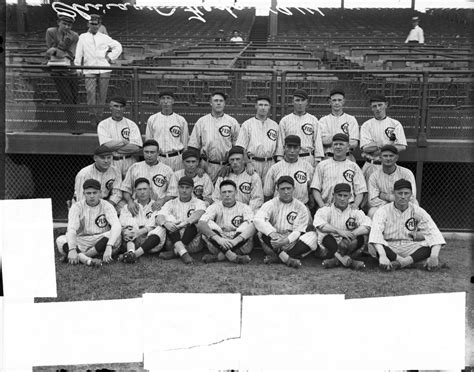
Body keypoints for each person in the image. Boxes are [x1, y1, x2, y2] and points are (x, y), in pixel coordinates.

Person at [123, 176, 207, 264]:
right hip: (173, 239)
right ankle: (182, 252)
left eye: (187, 188)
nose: (184, 190)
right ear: (178, 188)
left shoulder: (199, 202)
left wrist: (182, 224)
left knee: (196, 222)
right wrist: (166, 223)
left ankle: (175, 252)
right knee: (168, 222)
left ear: (192, 189)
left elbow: (199, 213)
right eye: (182, 187)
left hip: (193, 242)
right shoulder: (170, 203)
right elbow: (159, 217)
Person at [369, 179, 446, 271]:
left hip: (409, 246)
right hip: (389, 246)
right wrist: (382, 256)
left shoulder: (418, 210)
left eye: (406, 193)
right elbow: (375, 234)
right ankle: (408, 262)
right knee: (375, 245)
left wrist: (434, 256)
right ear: (393, 194)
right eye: (399, 193)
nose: (403, 196)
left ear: (411, 195)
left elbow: (434, 233)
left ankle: (402, 263)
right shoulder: (382, 211)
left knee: (431, 244)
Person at [302, 183, 371, 270]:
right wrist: (339, 231)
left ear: (350, 196)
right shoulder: (326, 209)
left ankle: (336, 260)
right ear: (333, 195)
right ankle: (350, 262)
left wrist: (353, 234)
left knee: (360, 237)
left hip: (347, 245)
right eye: (339, 195)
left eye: (345, 196)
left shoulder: (355, 211)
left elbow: (368, 225)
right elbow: (320, 225)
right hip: (329, 247)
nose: (342, 199)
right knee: (326, 237)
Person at [56, 179, 121, 266]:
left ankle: (82, 258)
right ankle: (88, 260)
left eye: (95, 193)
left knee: (117, 235)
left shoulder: (107, 205)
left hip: (101, 238)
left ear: (100, 193)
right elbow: (71, 229)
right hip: (83, 240)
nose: (92, 196)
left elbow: (116, 225)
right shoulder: (76, 207)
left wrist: (109, 246)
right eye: (88, 193)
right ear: (84, 194)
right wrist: (72, 249)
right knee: (61, 240)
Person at [254, 176, 315, 268]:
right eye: (282, 189)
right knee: (261, 231)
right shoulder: (271, 203)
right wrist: (271, 234)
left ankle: (279, 257)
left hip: (291, 242)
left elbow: (298, 231)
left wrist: (285, 241)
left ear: (293, 189)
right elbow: (257, 219)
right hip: (274, 242)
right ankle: (287, 259)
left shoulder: (301, 206)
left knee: (313, 236)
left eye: (288, 188)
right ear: (277, 190)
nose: (286, 192)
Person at [74, 14, 122, 125]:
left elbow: (118, 46)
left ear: (99, 24)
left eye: (96, 24)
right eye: (92, 23)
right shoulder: (82, 37)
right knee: (90, 92)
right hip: (89, 68)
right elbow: (79, 52)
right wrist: (78, 67)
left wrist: (110, 57)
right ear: (88, 24)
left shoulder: (104, 37)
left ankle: (99, 116)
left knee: (102, 93)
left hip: (104, 68)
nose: (94, 26)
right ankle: (92, 115)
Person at [198, 180, 255, 264]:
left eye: (230, 191)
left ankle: (219, 257)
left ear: (235, 192)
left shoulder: (244, 207)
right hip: (218, 242)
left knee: (249, 224)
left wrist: (235, 241)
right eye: (224, 192)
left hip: (240, 244)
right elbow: (201, 224)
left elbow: (253, 227)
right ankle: (233, 257)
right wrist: (218, 239)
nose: (227, 195)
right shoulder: (214, 206)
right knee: (207, 223)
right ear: (220, 194)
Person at [188, 92, 240, 182]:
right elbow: (193, 146)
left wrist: (230, 165)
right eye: (216, 101)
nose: (218, 103)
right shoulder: (202, 122)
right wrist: (197, 166)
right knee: (204, 193)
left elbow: (238, 147)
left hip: (225, 166)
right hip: (205, 165)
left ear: (224, 103)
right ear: (211, 103)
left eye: (221, 101)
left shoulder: (232, 122)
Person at [311, 133, 366, 210]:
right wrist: (322, 205)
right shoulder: (322, 165)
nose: (338, 147)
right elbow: (315, 188)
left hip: (348, 207)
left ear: (348, 147)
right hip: (327, 206)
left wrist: (356, 205)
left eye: (341, 144)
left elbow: (360, 190)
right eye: (335, 144)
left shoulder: (354, 167)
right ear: (332, 147)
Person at [45, 15, 80, 133]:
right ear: (58, 22)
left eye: (69, 25)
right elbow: (51, 50)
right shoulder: (51, 31)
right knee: (67, 98)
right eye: (64, 24)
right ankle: (73, 127)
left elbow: (71, 53)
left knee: (74, 99)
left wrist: (57, 50)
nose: (67, 27)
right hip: (57, 71)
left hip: (72, 70)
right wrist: (58, 50)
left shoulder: (75, 35)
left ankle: (73, 124)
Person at [360, 94, 407, 180]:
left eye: (380, 105)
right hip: (371, 165)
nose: (377, 108)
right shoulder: (366, 125)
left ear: (386, 105)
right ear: (371, 108)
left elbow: (402, 146)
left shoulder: (395, 124)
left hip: (389, 166)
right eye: (374, 106)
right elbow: (365, 148)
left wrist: (377, 147)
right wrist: (388, 146)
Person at [121, 139, 174, 216]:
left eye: (152, 152)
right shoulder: (134, 167)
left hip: (159, 207)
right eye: (146, 152)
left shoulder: (167, 170)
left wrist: (162, 201)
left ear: (158, 153)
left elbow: (173, 192)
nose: (149, 155)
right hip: (137, 207)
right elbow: (125, 189)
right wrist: (130, 202)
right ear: (143, 152)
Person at [235, 95, 279, 182]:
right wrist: (247, 163)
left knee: (268, 191)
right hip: (253, 162)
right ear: (256, 106)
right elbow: (241, 147)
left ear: (269, 107)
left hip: (270, 162)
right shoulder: (247, 124)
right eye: (260, 105)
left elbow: (278, 148)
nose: (263, 108)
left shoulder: (275, 125)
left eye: (266, 105)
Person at [276, 89, 324, 167]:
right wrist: (280, 158)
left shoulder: (313, 120)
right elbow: (281, 142)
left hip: (308, 157)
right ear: (293, 102)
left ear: (307, 102)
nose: (300, 103)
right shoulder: (285, 120)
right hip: (289, 158)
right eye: (297, 100)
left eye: (302, 100)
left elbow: (317, 141)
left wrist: (317, 159)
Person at [118, 178, 164, 259]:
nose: (142, 192)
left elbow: (155, 224)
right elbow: (124, 224)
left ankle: (133, 255)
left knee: (161, 228)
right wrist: (135, 231)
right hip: (132, 240)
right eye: (139, 189)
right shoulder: (128, 206)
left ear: (150, 190)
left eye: (145, 189)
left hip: (150, 242)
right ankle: (131, 252)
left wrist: (141, 231)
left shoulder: (156, 205)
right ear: (135, 191)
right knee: (128, 225)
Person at [97, 96, 142, 178]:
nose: (119, 109)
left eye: (121, 106)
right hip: (112, 162)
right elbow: (105, 147)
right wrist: (124, 142)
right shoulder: (103, 124)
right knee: (113, 189)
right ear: (110, 107)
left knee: (130, 188)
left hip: (129, 161)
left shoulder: (131, 124)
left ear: (124, 108)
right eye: (116, 106)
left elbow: (136, 148)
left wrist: (114, 146)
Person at [367, 144, 417, 218]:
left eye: (391, 156)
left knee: (416, 207)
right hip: (383, 206)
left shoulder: (406, 173)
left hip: (405, 206)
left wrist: (385, 196)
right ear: (380, 158)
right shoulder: (374, 176)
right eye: (385, 156)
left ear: (396, 158)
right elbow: (372, 200)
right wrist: (391, 206)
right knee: (372, 212)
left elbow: (411, 196)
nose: (388, 158)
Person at [264, 135, 314, 206]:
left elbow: (312, 191)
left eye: (295, 147)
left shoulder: (308, 167)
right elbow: (267, 194)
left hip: (301, 207)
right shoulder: (274, 168)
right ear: (284, 148)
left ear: (300, 149)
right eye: (289, 147)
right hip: (279, 208)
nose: (292, 151)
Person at [145, 91, 189, 171]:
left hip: (176, 158)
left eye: (168, 98)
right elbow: (149, 142)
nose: (165, 101)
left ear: (173, 101)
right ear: (159, 101)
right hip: (158, 158)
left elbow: (185, 145)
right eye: (163, 98)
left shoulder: (180, 120)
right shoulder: (152, 119)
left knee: (176, 182)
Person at [213, 147, 264, 213]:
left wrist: (245, 212)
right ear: (228, 161)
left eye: (238, 159)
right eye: (232, 159)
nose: (235, 162)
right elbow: (216, 198)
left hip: (247, 212)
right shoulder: (223, 176)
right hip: (225, 211)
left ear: (244, 160)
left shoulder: (253, 176)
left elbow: (257, 199)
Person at [73, 144, 122, 211]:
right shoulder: (84, 174)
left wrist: (108, 205)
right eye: (103, 158)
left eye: (109, 157)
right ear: (95, 158)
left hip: (106, 201)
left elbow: (117, 193)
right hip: (85, 204)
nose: (106, 161)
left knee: (124, 208)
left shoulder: (115, 171)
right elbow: (81, 197)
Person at [318, 88, 359, 160]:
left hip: (347, 157)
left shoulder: (351, 119)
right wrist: (344, 140)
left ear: (344, 101)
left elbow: (354, 143)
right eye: (334, 100)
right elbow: (324, 141)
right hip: (329, 157)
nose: (337, 103)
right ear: (330, 102)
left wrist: (332, 139)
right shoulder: (323, 120)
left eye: (339, 100)